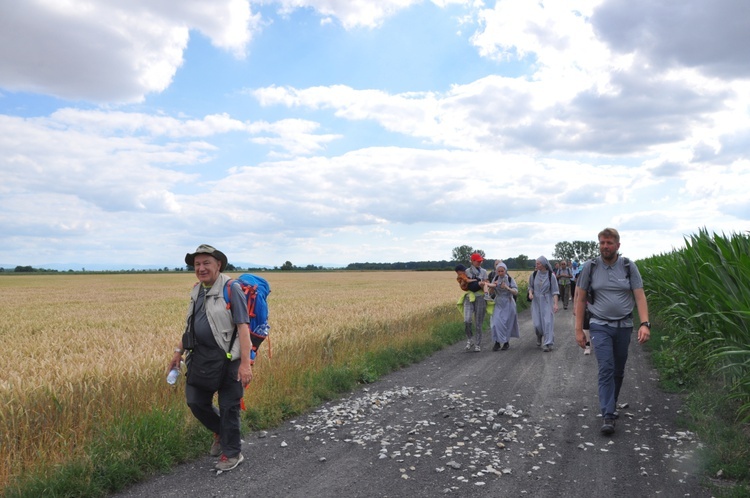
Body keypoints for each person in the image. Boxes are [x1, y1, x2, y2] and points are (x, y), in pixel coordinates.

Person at [167, 244, 253, 471]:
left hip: (228, 359)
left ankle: (233, 454)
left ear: (218, 265)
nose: (201, 268)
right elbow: (190, 326)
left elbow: (243, 328)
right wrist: (179, 352)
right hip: (202, 357)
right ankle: (221, 432)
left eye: (206, 263)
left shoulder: (231, 288)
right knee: (196, 401)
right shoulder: (197, 290)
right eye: (197, 264)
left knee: (229, 406)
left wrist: (245, 364)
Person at [574, 228, 651, 436]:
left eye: (609, 243)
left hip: (624, 326)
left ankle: (612, 401)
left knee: (618, 369)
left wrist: (645, 323)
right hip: (599, 325)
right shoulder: (590, 267)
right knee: (606, 367)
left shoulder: (628, 266)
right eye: (601, 243)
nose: (605, 246)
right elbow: (581, 298)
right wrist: (579, 329)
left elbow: (640, 296)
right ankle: (607, 414)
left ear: (618, 245)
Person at [527, 256, 559, 352]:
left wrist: (556, 304)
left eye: (538, 263)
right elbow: (530, 287)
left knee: (548, 322)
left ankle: (548, 343)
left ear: (544, 264)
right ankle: (539, 335)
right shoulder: (534, 275)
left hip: (547, 300)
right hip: (536, 301)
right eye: (536, 263)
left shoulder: (551, 276)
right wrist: (530, 293)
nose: (536, 265)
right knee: (537, 324)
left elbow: (555, 291)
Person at [486, 262, 520, 351]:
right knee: (495, 323)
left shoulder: (510, 279)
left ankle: (506, 342)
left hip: (508, 302)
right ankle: (496, 342)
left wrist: (507, 288)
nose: (500, 273)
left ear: (505, 270)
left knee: (507, 323)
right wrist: (492, 287)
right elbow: (491, 292)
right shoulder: (495, 278)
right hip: (498, 302)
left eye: (502, 271)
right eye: (499, 271)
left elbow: (516, 292)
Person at [459, 253, 488, 352]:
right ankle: (470, 339)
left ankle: (478, 344)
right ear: (472, 261)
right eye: (477, 261)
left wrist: (483, 284)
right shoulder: (466, 271)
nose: (480, 262)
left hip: (480, 298)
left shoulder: (484, 271)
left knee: (478, 323)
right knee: (467, 320)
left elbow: (486, 283)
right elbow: (462, 284)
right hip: (469, 297)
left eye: (481, 261)